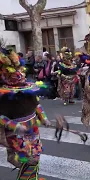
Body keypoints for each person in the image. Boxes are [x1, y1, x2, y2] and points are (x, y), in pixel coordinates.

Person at [0, 47, 50, 179]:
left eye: (19, 71)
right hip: (16, 134)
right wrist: (15, 126)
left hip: (33, 130)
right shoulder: (3, 95)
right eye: (13, 73)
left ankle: (31, 177)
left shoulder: (29, 90)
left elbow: (37, 105)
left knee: (36, 156)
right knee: (28, 159)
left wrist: (44, 118)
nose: (18, 75)